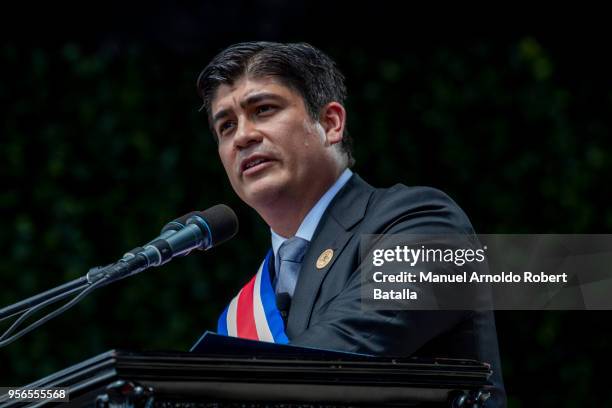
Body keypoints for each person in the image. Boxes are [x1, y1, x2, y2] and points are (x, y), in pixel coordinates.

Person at [196, 41, 505, 406]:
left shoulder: (425, 223)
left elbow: (334, 361)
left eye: (263, 109)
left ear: (330, 123)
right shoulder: (252, 302)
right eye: (226, 126)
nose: (243, 136)